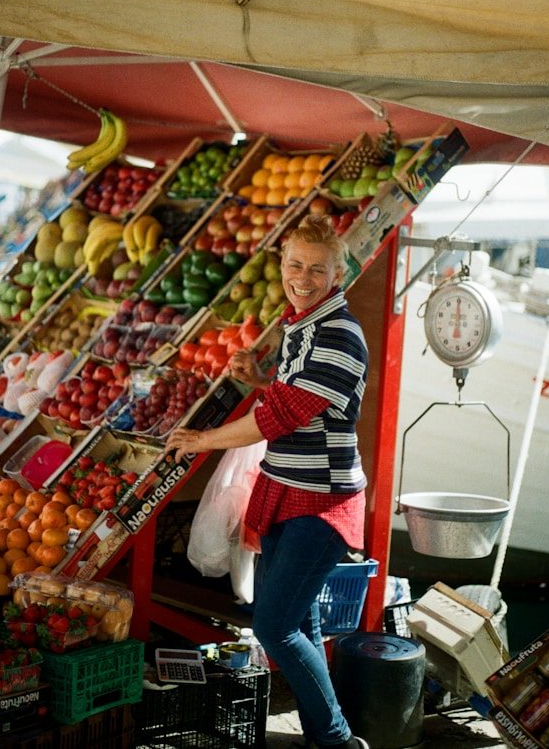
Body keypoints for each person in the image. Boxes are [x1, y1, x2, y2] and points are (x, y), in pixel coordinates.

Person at [166, 214, 370, 749]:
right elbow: (294, 396)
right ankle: (322, 736)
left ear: (338, 274)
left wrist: (202, 440)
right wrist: (260, 379)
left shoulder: (338, 335)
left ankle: (338, 739)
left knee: (274, 626)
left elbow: (276, 419)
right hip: (286, 488)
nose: (303, 277)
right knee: (301, 622)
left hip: (322, 501)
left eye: (317, 269)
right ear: (282, 264)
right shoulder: (302, 324)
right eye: (295, 265)